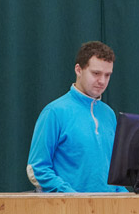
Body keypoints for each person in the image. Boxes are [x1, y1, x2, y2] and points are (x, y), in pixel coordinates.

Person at [26, 41, 130, 194]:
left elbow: (114, 173)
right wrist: (72, 197)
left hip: (110, 212)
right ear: (78, 70)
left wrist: (125, 198)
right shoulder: (54, 112)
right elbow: (37, 169)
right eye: (96, 73)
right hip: (67, 213)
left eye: (107, 75)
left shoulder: (109, 114)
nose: (102, 81)